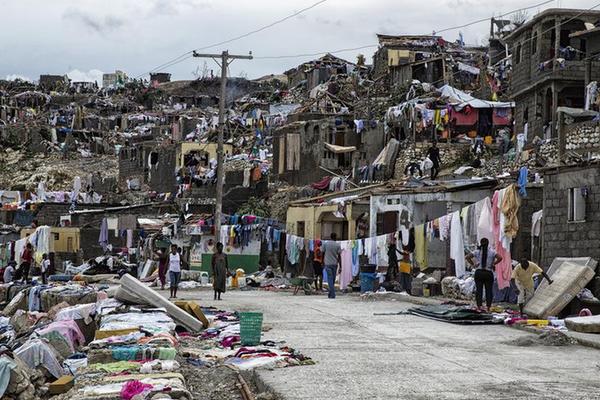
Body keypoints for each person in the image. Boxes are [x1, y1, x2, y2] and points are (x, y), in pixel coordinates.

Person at [467, 238, 502, 311]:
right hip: (488, 273)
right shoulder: (492, 252)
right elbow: (500, 258)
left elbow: (467, 257)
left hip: (479, 272)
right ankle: (488, 307)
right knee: (489, 290)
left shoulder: (477, 252)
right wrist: (493, 264)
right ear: (488, 243)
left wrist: (474, 264)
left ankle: (479, 306)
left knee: (479, 290)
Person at [322, 233, 341, 299]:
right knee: (332, 279)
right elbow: (339, 256)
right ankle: (332, 294)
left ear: (330, 237)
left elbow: (323, 253)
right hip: (334, 264)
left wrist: (322, 262)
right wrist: (340, 266)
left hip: (327, 263)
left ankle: (331, 293)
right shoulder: (337, 245)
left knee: (330, 279)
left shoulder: (325, 244)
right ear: (335, 237)